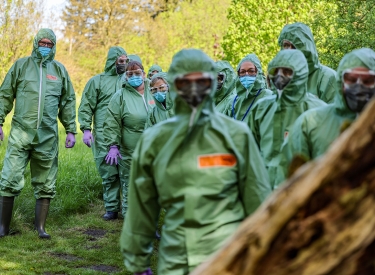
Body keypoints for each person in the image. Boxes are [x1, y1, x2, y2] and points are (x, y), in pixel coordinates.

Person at [119, 49, 271, 275]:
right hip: (177, 258)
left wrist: (264, 250)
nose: (193, 89)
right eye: (185, 82)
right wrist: (138, 261)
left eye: (201, 81)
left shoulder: (236, 136)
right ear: (174, 85)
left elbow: (257, 199)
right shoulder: (155, 141)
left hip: (228, 256)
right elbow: (141, 208)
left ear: (212, 83)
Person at [0, 28, 76, 238]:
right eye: (42, 43)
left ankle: (40, 228)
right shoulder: (21, 66)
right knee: (10, 176)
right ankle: (3, 227)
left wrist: (71, 130)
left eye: (49, 44)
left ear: (53, 46)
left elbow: (68, 101)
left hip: (47, 136)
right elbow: (5, 94)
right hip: (20, 133)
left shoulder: (59, 71)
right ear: (35, 43)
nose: (45, 47)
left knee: (45, 181)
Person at [283, 48, 375, 168]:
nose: (359, 87)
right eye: (351, 80)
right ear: (340, 82)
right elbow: (290, 179)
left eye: (368, 81)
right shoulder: (310, 124)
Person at [248, 49, 326, 189]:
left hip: (301, 193)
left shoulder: (318, 111)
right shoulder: (262, 108)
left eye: (287, 72)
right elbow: (249, 153)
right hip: (265, 193)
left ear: (301, 73)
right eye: (276, 71)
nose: (280, 76)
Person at [78, 46, 127, 221]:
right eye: (120, 61)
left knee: (127, 171)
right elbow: (86, 106)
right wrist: (86, 129)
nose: (123, 64)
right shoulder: (97, 81)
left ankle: (128, 207)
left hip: (125, 132)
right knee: (108, 171)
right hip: (103, 133)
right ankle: (112, 208)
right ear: (112, 60)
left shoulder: (128, 80)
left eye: (126, 61)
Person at [103, 61, 155, 218]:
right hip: (130, 148)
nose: (134, 77)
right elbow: (112, 122)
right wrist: (113, 145)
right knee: (130, 183)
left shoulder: (154, 90)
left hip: (154, 148)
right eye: (130, 74)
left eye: (137, 73)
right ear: (125, 77)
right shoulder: (120, 96)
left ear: (144, 74)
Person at [278, 22, 337, 103]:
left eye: (295, 45)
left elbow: (333, 113)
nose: (290, 50)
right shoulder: (284, 78)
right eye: (286, 45)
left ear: (305, 46)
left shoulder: (327, 77)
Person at [223, 54, 273, 121]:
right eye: (242, 72)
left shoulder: (268, 97)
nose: (246, 74)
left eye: (251, 71)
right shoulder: (233, 102)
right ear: (238, 75)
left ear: (258, 72)